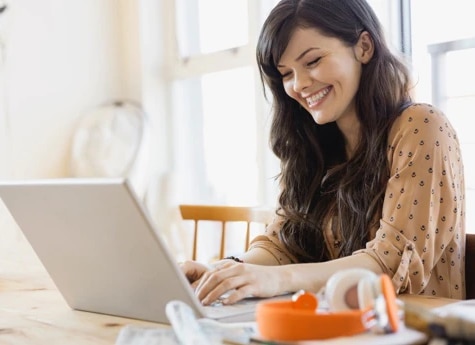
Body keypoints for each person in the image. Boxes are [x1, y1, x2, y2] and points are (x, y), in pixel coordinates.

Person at [181, 0, 466, 306]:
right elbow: (282, 242)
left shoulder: (421, 126)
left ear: (364, 47)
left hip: (414, 331)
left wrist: (277, 279)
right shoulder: (315, 145)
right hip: (339, 330)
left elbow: (389, 263)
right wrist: (226, 271)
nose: (299, 85)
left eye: (313, 61)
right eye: (286, 74)